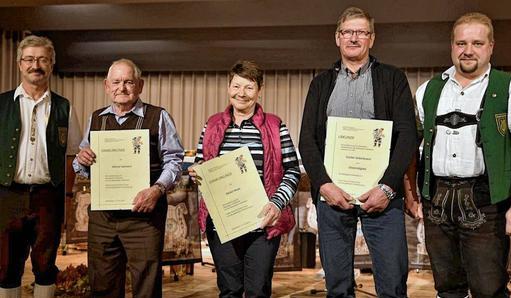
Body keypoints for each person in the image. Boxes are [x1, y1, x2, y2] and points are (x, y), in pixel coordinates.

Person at [299, 6, 417, 298]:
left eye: (361, 32)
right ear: (337, 38)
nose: (354, 38)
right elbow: (307, 141)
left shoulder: (393, 79)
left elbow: (407, 137)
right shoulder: (320, 83)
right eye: (348, 32)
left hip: (382, 199)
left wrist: (388, 187)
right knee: (337, 286)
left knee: (392, 284)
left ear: (371, 39)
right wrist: (324, 185)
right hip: (333, 197)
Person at [412, 12, 511, 298]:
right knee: (446, 286)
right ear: (452, 46)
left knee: (487, 288)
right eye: (461, 43)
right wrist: (414, 197)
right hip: (437, 199)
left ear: (491, 46)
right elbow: (416, 148)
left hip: (486, 199)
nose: (468, 50)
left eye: (477, 43)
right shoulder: (428, 90)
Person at [188, 60, 300, 297]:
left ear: (259, 90)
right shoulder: (211, 124)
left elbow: (292, 171)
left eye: (249, 87)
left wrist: (276, 203)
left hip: (263, 222)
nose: (242, 93)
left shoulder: (275, 124)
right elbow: (200, 164)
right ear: (229, 87)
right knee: (229, 290)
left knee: (258, 291)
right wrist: (197, 172)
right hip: (221, 223)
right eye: (237, 86)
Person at [73, 58, 184, 298]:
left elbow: (175, 161)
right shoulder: (96, 118)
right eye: (116, 82)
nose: (122, 88)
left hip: (144, 217)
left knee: (146, 286)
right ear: (106, 86)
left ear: (140, 85)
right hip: (103, 217)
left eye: (128, 82)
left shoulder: (159, 116)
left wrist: (157, 189)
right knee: (102, 284)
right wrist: (81, 160)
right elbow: (82, 164)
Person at [0, 35, 81, 298]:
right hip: (7, 194)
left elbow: (72, 156)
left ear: (51, 64)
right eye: (30, 59)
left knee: (45, 265)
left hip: (49, 195)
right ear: (19, 64)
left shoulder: (64, 107)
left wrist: (68, 197)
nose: (36, 65)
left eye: (43, 59)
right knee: (5, 266)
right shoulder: (0, 105)